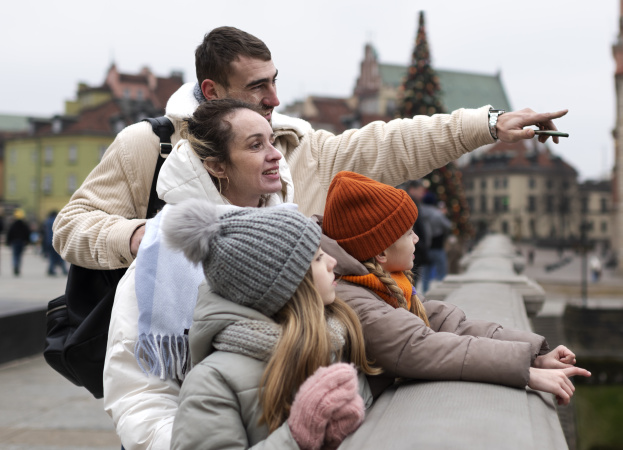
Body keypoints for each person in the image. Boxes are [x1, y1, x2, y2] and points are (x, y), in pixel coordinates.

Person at [53, 25, 569, 272]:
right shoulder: (150, 145)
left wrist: (489, 124)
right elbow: (71, 226)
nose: (275, 98)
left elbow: (391, 145)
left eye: (275, 81)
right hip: (170, 369)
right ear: (211, 92)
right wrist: (142, 236)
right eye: (258, 87)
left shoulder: (298, 146)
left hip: (281, 373)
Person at [103, 99, 297, 449]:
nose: (275, 155)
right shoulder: (165, 255)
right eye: (256, 145)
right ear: (217, 165)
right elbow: (140, 394)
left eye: (272, 141)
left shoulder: (292, 237)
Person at [320, 172, 590, 403]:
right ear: (379, 253)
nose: (416, 238)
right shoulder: (351, 297)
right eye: (407, 233)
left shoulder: (379, 283)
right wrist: (526, 373)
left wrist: (534, 355)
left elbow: (447, 324)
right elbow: (420, 346)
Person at [164, 200, 378, 450]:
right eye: (318, 257)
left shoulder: (333, 339)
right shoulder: (212, 381)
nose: (333, 262)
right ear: (286, 285)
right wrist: (298, 435)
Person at [43, 210, 68, 276]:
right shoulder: (57, 221)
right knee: (60, 257)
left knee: (51, 257)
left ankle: (51, 269)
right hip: (57, 241)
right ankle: (64, 270)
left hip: (48, 241)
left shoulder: (47, 221)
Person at [6, 209, 30, 277]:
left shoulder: (13, 224)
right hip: (22, 242)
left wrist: (8, 242)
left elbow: (9, 233)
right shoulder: (24, 225)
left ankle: (15, 265)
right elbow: (27, 233)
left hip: (14, 242)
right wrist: (27, 241)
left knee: (15, 255)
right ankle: (18, 267)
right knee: (19, 256)